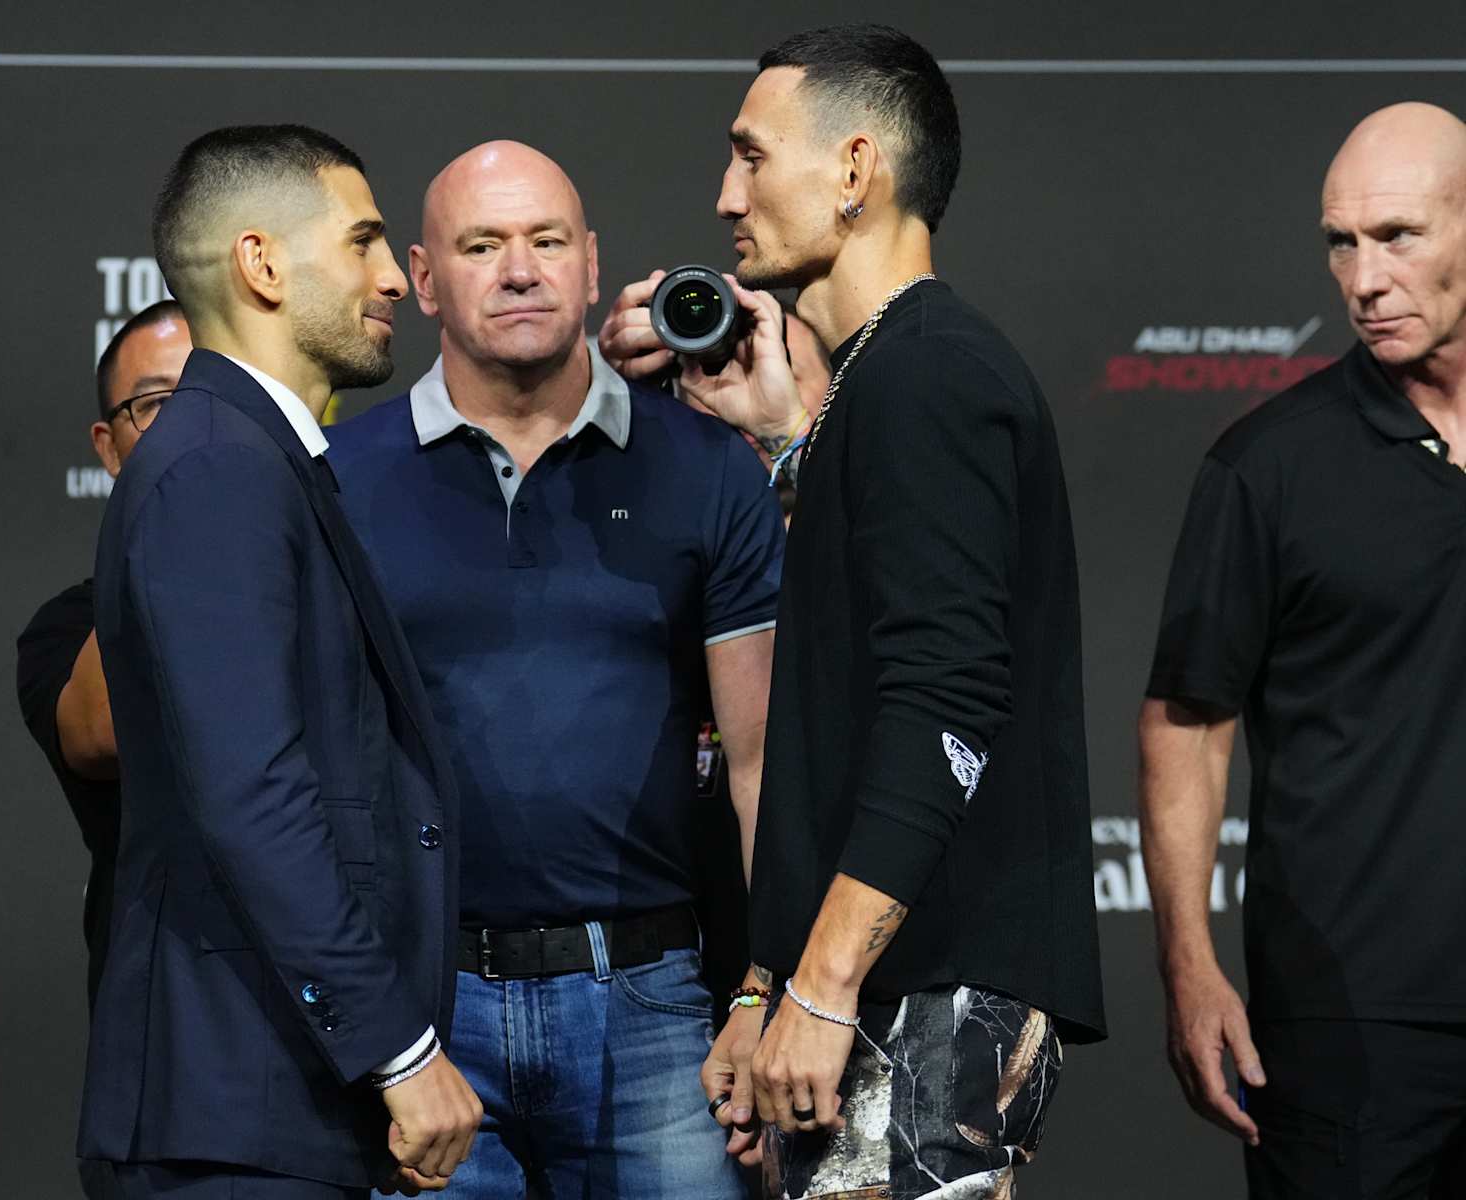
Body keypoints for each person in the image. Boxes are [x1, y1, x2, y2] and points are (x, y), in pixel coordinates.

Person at [601, 23, 1105, 1197]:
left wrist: (821, 988)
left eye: (752, 155)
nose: (726, 195)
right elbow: (846, 715)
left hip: (920, 988)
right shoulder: (881, 383)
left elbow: (945, 703)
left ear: (855, 170)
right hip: (884, 985)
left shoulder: (929, 376)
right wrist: (768, 988)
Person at [327, 140, 782, 1199]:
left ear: (591, 264)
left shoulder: (707, 466)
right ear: (424, 279)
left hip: (657, 1006)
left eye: (546, 241)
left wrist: (766, 989)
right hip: (427, 1021)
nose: (520, 271)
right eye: (482, 246)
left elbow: (762, 762)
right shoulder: (338, 481)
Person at [77, 124, 481, 1200]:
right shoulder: (217, 467)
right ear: (260, 263)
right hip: (229, 1108)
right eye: (362, 241)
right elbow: (252, 792)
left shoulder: (255, 457)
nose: (392, 277)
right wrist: (398, 1049)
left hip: (269, 1101)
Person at [1139, 102, 1466, 1199]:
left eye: (1399, 236)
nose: (1364, 280)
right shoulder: (1268, 467)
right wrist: (1189, 966)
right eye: (1341, 243)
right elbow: (1186, 725)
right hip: (1347, 1022)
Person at [15, 299, 190, 1009]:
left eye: (213, 397)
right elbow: (106, 732)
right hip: (163, 995)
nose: (190, 425)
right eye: (158, 406)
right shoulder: (68, 626)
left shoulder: (333, 586)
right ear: (109, 447)